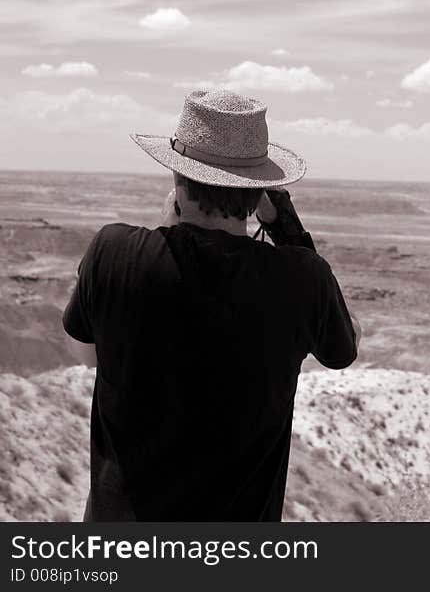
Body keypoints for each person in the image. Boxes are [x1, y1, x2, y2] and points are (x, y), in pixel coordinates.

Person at [62, 89, 361, 521]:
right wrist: (291, 232)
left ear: (176, 177)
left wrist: (168, 231)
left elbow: (85, 354)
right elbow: (343, 349)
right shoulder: (301, 278)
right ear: (259, 193)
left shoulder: (113, 251)